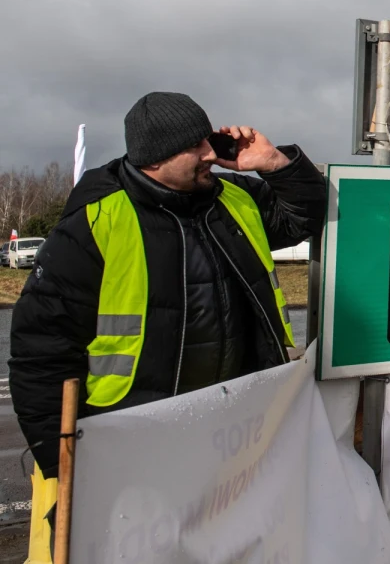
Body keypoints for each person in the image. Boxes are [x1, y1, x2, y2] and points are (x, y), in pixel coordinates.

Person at [9, 92, 326, 492]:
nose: (211, 152)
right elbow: (42, 352)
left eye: (208, 139)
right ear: (154, 159)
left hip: (241, 430)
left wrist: (276, 165)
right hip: (135, 443)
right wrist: (64, 467)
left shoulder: (235, 199)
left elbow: (306, 219)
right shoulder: (96, 222)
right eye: (195, 146)